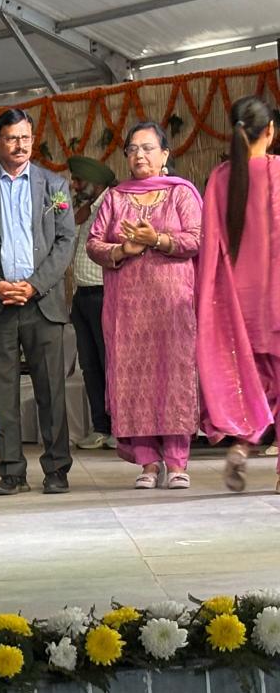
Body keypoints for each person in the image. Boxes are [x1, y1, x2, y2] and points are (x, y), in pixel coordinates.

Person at [0, 108, 75, 495]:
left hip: (42, 302)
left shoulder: (54, 184)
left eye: (25, 137)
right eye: (11, 138)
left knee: (51, 390)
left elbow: (65, 241)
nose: (20, 145)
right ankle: (12, 471)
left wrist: (34, 285)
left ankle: (57, 469)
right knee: (3, 390)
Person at [85, 122, 201, 488]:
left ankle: (178, 462)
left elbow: (197, 239)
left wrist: (159, 239)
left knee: (174, 376)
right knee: (134, 379)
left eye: (148, 148)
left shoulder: (180, 193)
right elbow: (93, 244)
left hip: (173, 304)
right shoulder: (116, 198)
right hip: (127, 308)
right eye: (133, 149)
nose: (139, 155)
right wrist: (123, 249)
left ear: (165, 154)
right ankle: (148, 464)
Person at [198, 96, 280, 493]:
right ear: (270, 131)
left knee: (256, 384)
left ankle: (243, 445)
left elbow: (211, 246)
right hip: (275, 300)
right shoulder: (277, 171)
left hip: (237, 305)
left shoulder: (219, 178)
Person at [66, 156, 117, 450]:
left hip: (104, 293)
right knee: (89, 365)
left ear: (95, 182)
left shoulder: (112, 204)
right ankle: (100, 427)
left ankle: (120, 427)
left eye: (79, 181)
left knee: (110, 362)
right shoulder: (85, 210)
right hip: (82, 295)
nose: (74, 185)